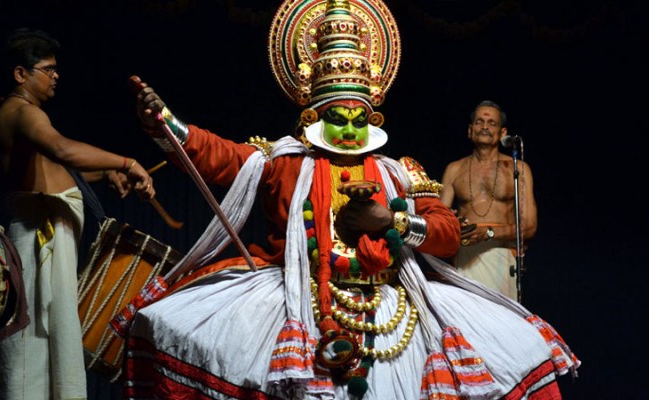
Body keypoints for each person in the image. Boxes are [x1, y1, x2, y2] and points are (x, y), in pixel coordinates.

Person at [120, 1, 578, 399]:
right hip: (299, 302)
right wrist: (166, 123)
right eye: (337, 118)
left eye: (359, 119)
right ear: (314, 115)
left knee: (513, 342)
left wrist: (393, 223)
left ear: (372, 116)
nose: (348, 130)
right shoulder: (285, 161)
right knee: (175, 325)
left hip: (390, 302)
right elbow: (219, 157)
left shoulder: (398, 172)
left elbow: (449, 233)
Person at [0, 28, 155, 400]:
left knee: (53, 341)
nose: (55, 76)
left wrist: (105, 172)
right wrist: (127, 162)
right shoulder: (21, 112)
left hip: (45, 239)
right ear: (21, 74)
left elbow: (56, 169)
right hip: (36, 240)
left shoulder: (27, 115)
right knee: (30, 346)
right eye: (47, 69)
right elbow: (64, 151)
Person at [440, 100, 537, 301]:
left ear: (503, 133)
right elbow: (439, 221)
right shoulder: (454, 170)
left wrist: (488, 233)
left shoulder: (517, 169)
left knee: (499, 326)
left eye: (492, 123)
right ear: (470, 130)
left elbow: (529, 227)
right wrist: (450, 223)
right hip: (464, 260)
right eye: (479, 122)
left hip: (501, 259)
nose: (485, 126)